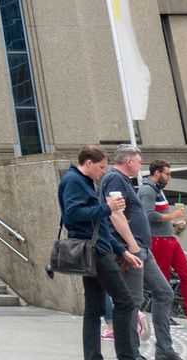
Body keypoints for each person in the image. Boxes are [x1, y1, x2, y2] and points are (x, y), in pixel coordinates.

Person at [58, 146, 141, 360]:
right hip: (94, 251)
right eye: (101, 167)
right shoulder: (73, 181)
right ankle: (126, 356)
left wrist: (122, 250)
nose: (103, 172)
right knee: (125, 302)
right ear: (88, 163)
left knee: (94, 308)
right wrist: (108, 207)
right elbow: (72, 215)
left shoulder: (83, 181)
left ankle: (94, 357)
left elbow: (99, 226)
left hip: (95, 248)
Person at [100, 144, 181, 360]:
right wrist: (131, 246)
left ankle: (164, 350)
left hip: (143, 249)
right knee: (131, 302)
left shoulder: (124, 181)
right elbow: (115, 214)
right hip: (132, 249)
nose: (140, 165)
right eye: (138, 161)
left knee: (164, 292)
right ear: (129, 162)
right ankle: (131, 354)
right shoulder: (115, 179)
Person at [143, 160, 187, 326]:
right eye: (167, 173)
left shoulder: (158, 190)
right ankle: (165, 316)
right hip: (158, 240)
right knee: (163, 279)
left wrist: (174, 225)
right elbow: (147, 215)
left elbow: (158, 217)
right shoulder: (147, 190)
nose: (169, 177)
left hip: (168, 238)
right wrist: (172, 217)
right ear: (157, 172)